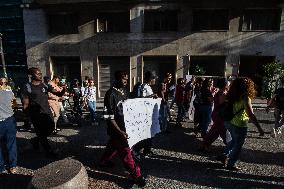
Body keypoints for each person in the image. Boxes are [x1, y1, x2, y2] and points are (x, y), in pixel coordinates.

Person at [99, 71, 146, 187]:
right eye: (123, 78)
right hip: (118, 130)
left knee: (113, 146)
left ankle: (103, 161)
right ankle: (137, 175)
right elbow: (108, 117)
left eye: (127, 79)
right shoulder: (110, 94)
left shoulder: (124, 91)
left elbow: (133, 102)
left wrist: (149, 98)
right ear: (116, 78)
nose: (126, 81)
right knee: (126, 153)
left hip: (125, 128)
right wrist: (119, 131)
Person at [221, 78, 264, 171]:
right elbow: (251, 115)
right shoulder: (245, 97)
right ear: (248, 86)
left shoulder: (231, 94)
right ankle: (231, 164)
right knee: (238, 145)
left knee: (233, 141)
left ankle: (224, 155)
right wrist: (259, 128)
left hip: (229, 122)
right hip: (240, 124)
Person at [21, 67, 57, 159]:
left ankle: (35, 140)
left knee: (51, 128)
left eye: (40, 73)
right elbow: (25, 104)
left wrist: (61, 90)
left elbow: (55, 92)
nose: (40, 75)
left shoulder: (44, 85)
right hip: (35, 114)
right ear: (31, 75)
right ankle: (49, 151)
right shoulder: (27, 87)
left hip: (47, 112)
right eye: (38, 73)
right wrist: (26, 116)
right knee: (41, 133)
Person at [132, 71, 158, 157]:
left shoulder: (148, 87)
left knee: (150, 133)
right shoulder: (143, 86)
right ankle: (136, 149)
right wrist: (151, 96)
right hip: (144, 114)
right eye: (154, 78)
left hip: (149, 114)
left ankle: (147, 150)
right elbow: (139, 99)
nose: (155, 80)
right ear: (151, 79)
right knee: (145, 134)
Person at [200, 78, 228, 151]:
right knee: (221, 132)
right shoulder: (222, 93)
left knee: (215, 132)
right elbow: (222, 104)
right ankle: (230, 146)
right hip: (220, 116)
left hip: (217, 114)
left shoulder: (220, 92)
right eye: (227, 83)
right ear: (225, 84)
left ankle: (205, 145)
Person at [0, 80, 17, 174]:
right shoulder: (9, 92)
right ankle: (13, 166)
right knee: (11, 144)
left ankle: (1, 168)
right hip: (9, 120)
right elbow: (14, 104)